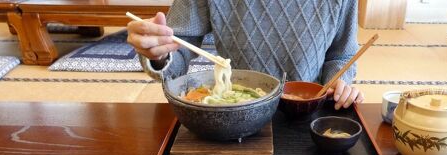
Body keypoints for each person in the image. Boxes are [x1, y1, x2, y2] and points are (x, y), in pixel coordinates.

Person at [127, 0, 364, 110]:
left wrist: (339, 83)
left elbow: (342, 56)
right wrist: (157, 54)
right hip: (232, 112)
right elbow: (178, 47)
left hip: (306, 113)